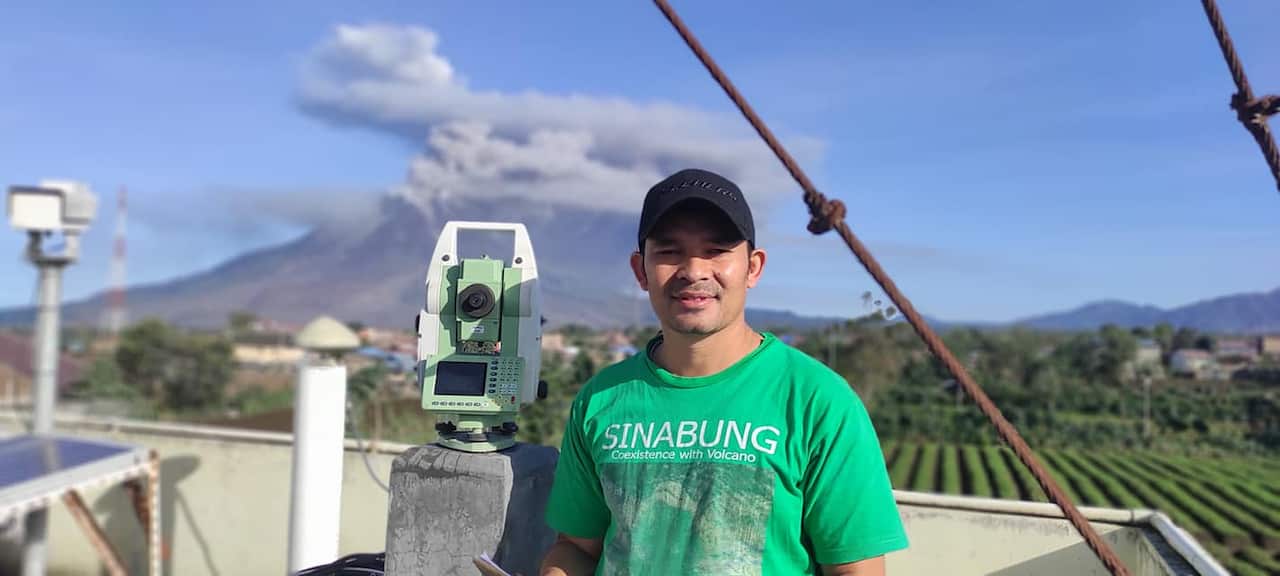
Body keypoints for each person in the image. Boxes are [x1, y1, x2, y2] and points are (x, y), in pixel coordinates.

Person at [539, 168, 908, 575]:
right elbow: (576, 548)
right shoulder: (602, 398)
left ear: (753, 267)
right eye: (669, 252)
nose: (693, 271)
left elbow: (856, 569)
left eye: (716, 250)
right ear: (641, 270)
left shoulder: (818, 401)